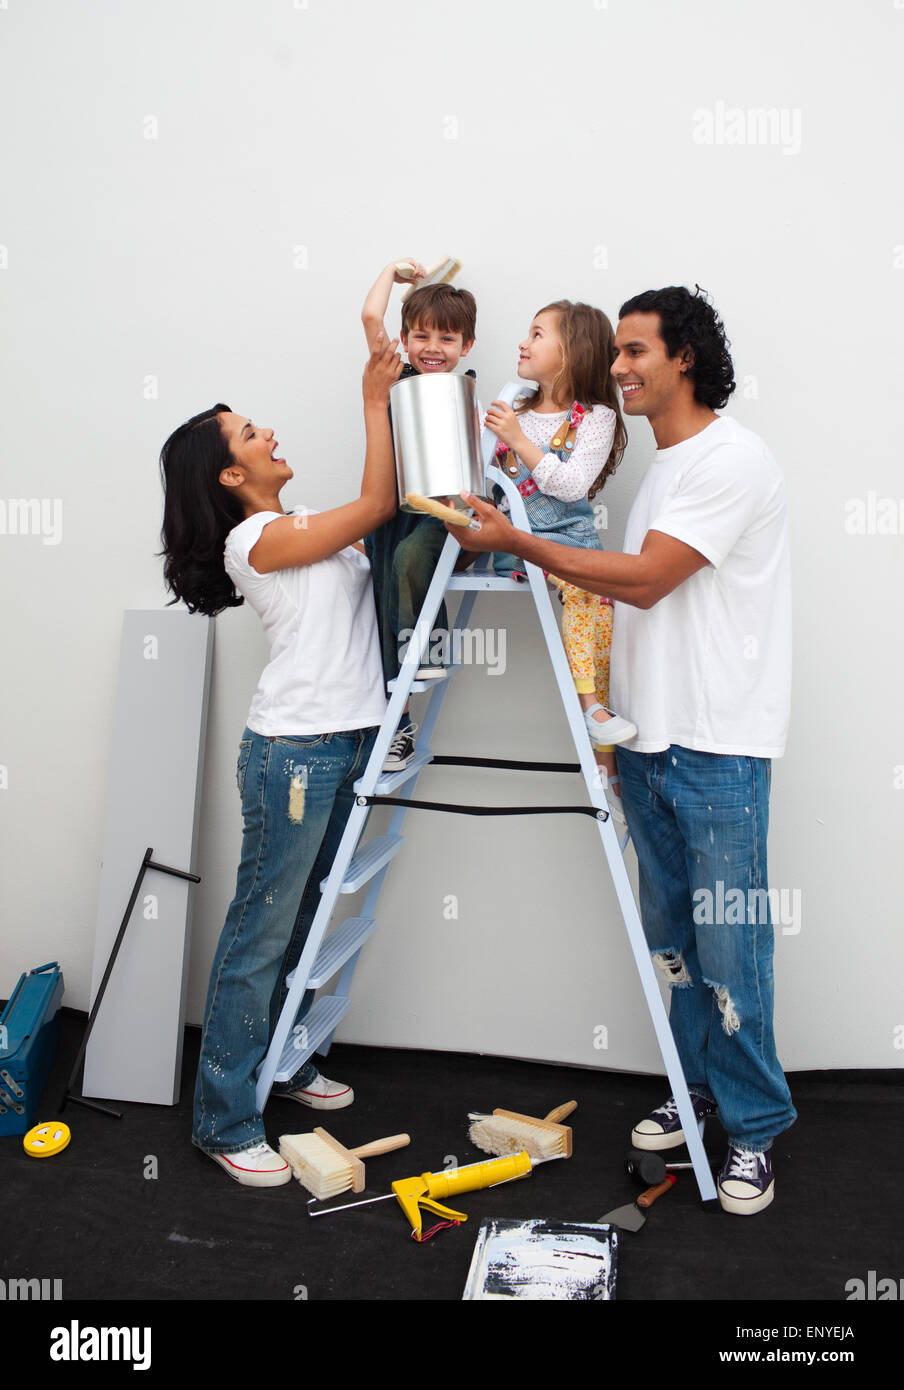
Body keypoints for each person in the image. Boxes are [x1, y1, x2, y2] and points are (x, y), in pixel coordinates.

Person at [451, 286, 795, 1215]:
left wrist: (517, 541)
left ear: (685, 357)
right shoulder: (662, 469)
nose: (622, 371)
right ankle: (696, 1098)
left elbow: (644, 584)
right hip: (647, 743)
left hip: (717, 748)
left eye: (638, 353)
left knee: (733, 949)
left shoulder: (733, 459)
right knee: (675, 947)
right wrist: (611, 738)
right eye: (618, 357)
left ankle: (755, 1132)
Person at [158, 333, 403, 1187]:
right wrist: (375, 396)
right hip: (292, 756)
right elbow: (377, 506)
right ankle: (223, 1120)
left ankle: (284, 1061)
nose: (268, 435)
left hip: (347, 740)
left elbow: (380, 534)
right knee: (260, 934)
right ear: (232, 477)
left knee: (307, 921)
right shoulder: (256, 538)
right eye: (250, 434)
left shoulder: (309, 535)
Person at [482, 300, 634, 817]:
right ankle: (594, 708)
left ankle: (602, 742)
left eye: (537, 334)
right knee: (584, 587)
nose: (523, 343)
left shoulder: (595, 419)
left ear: (572, 352)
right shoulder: (511, 410)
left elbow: (570, 487)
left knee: (598, 595)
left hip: (569, 540)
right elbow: (479, 479)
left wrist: (518, 441)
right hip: (516, 543)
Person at [361, 259, 478, 771]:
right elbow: (370, 316)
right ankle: (397, 722)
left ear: (465, 346)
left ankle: (426, 653)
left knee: (414, 562)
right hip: (393, 513)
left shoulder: (465, 389)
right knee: (384, 605)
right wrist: (393, 272)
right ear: (406, 341)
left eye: (446, 338)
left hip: (441, 515)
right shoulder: (398, 376)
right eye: (421, 335)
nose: (433, 347)